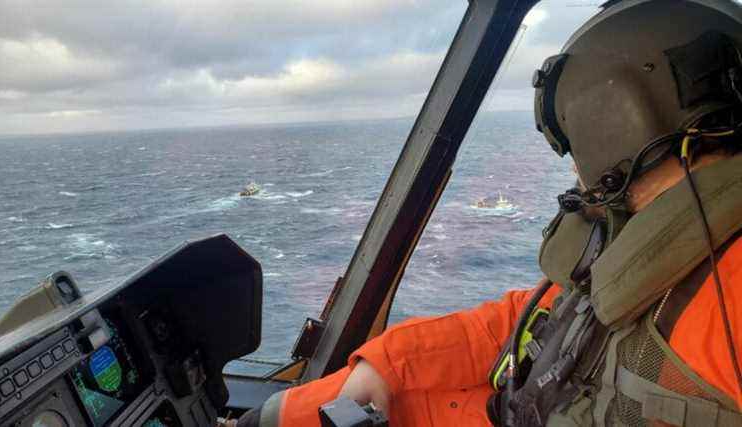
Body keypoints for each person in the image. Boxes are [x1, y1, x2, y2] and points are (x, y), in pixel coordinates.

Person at [235, 1, 742, 425]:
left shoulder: (728, 296)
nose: (575, 176)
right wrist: (387, 365)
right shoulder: (637, 239)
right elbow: (526, 320)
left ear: (610, 122)